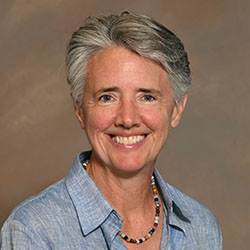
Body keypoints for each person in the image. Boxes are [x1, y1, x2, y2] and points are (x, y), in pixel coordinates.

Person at [0, 11, 222, 250]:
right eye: (107, 97)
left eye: (147, 97)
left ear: (177, 109)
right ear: (80, 109)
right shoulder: (33, 230)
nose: (127, 118)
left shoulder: (201, 226)